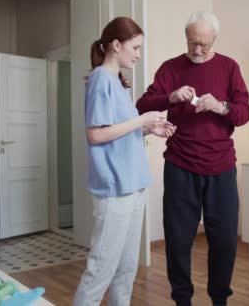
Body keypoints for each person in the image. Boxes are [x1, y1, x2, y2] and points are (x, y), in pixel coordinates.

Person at [136, 11, 249, 306]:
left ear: (214, 40)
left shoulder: (229, 68)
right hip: (180, 166)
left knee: (224, 242)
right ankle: (182, 301)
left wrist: (222, 106)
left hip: (221, 167)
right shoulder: (170, 69)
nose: (197, 50)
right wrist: (170, 97)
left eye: (204, 44)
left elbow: (244, 112)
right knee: (177, 240)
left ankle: (219, 300)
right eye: (191, 43)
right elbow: (142, 104)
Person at [73, 16, 176, 306]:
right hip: (114, 189)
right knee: (100, 271)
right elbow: (95, 134)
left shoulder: (119, 84)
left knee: (126, 269)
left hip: (135, 186)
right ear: (116, 45)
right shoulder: (99, 79)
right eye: (136, 47)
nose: (139, 54)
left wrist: (149, 128)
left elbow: (118, 129)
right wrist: (141, 119)